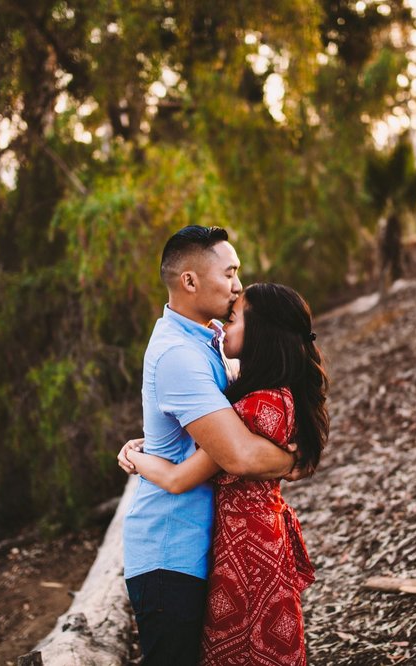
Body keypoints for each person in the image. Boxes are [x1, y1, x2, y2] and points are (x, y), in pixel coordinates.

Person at [120, 226, 302, 666]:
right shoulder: (179, 354)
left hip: (203, 545)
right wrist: (295, 460)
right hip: (171, 550)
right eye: (230, 273)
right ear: (189, 281)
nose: (239, 285)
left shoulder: (209, 341)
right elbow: (237, 454)